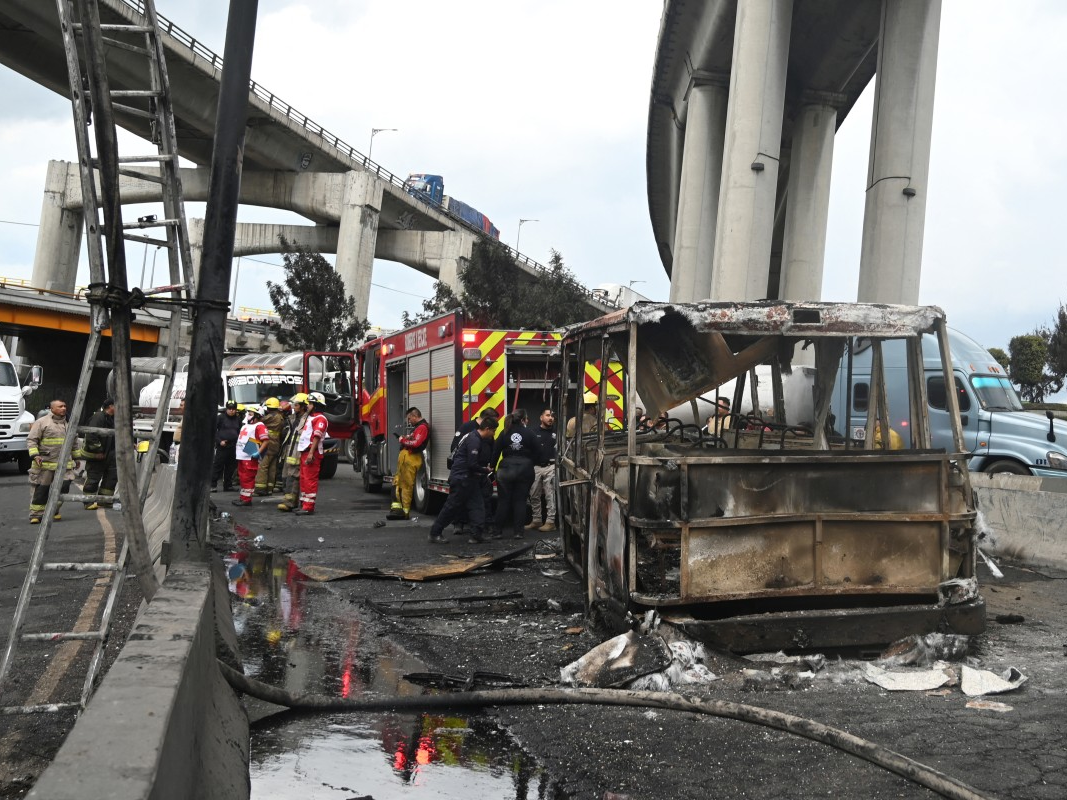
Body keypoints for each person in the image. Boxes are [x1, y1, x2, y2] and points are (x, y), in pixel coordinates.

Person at [427, 417, 498, 544]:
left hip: (469, 479)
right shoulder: (474, 440)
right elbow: (472, 464)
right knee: (451, 507)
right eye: (493, 431)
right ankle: (435, 533)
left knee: (477, 506)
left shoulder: (474, 437)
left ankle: (476, 535)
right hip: (462, 479)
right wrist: (485, 470)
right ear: (487, 429)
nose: (494, 434)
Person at [489, 408, 539, 540]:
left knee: (503, 501)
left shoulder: (504, 432)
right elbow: (539, 452)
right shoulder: (530, 433)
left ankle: (497, 531)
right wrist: (531, 462)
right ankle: (518, 532)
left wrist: (492, 468)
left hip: (505, 470)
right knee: (520, 501)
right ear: (523, 420)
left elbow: (496, 452)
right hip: (525, 470)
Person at [27, 399, 74, 524]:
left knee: (64, 487)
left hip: (64, 464)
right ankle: (36, 514)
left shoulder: (69, 423)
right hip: (45, 464)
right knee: (41, 490)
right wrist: (35, 455)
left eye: (64, 406)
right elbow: (32, 440)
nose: (63, 408)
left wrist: (77, 458)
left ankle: (54, 510)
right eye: (60, 406)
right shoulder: (41, 422)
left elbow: (74, 443)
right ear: (52, 409)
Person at [387, 407, 429, 521]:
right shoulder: (418, 428)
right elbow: (414, 440)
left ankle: (404, 512)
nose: (409, 421)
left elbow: (415, 443)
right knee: (397, 484)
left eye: (410, 419)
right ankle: (397, 510)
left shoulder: (422, 427)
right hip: (407, 459)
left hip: (411, 459)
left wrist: (403, 440)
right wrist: (407, 438)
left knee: (406, 486)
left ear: (415, 416)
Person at [295, 391, 329, 515]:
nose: (307, 406)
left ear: (316, 405)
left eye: (310, 403)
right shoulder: (310, 418)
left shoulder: (320, 419)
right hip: (305, 452)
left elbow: (316, 437)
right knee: (304, 479)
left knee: (310, 480)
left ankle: (308, 506)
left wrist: (310, 453)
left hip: (312, 453)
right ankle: (304, 503)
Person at [79, 397, 116, 510]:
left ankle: (104, 501)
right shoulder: (98, 417)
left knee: (111, 477)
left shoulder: (113, 418)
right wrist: (98, 451)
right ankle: (88, 502)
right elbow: (91, 435)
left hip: (110, 454)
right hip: (97, 455)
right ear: (110, 406)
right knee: (94, 477)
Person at [526, 407, 558, 532]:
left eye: (552, 416)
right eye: (548, 415)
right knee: (534, 494)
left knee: (550, 495)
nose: (551, 418)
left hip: (551, 466)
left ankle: (550, 522)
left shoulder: (557, 433)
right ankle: (537, 520)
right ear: (541, 417)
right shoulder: (532, 432)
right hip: (536, 467)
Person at [277, 393, 309, 512]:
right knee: (286, 476)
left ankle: (290, 503)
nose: (293, 407)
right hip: (289, 450)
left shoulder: (307, 420)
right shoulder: (292, 418)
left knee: (294, 476)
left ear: (302, 406)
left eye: (296, 405)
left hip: (297, 451)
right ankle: (290, 500)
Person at [232, 406, 268, 507]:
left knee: (248, 478)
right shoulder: (246, 425)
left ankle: (246, 499)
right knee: (243, 478)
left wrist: (258, 452)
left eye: (251, 414)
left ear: (257, 416)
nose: (248, 416)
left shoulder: (260, 426)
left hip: (250, 456)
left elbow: (265, 440)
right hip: (242, 456)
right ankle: (243, 497)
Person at [255, 396, 285, 496]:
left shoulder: (270, 417)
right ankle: (269, 488)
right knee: (272, 467)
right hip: (276, 444)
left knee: (263, 466)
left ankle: (260, 489)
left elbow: (259, 421)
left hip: (268, 443)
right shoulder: (280, 416)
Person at [211, 401, 242, 493]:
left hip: (234, 446)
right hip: (223, 445)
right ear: (226, 409)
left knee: (231, 467)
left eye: (233, 409)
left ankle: (228, 485)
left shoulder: (238, 419)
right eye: (230, 409)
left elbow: (240, 431)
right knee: (218, 466)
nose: (231, 411)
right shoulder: (220, 418)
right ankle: (212, 485)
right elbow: (213, 431)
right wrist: (219, 441)